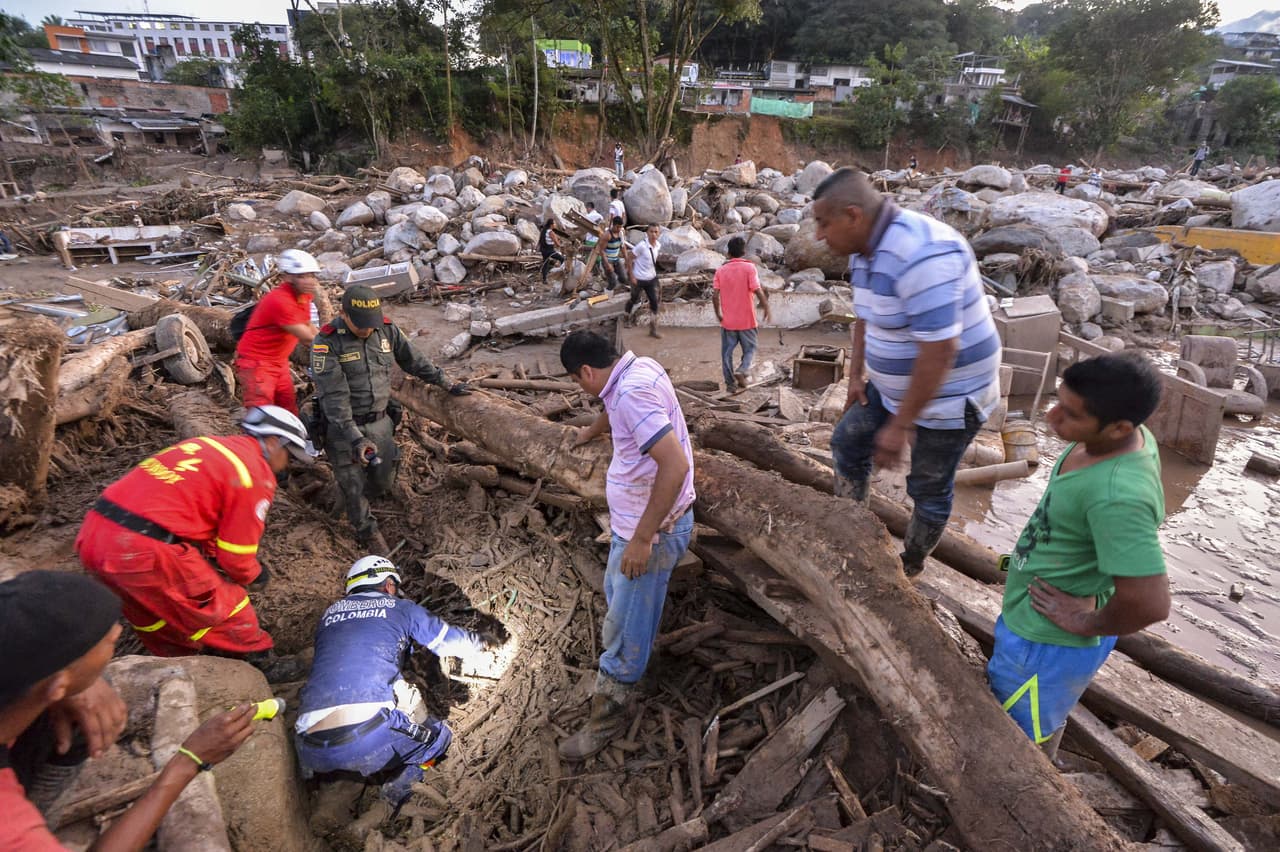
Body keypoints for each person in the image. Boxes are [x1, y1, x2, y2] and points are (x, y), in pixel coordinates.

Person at [813, 168, 1000, 577]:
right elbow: (864, 318)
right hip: (890, 386)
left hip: (951, 397)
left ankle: (909, 564)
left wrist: (899, 428)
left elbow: (940, 352)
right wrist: (856, 376)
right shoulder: (865, 252)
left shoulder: (922, 253)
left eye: (823, 223)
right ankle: (852, 533)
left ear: (853, 215)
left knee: (928, 486)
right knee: (848, 441)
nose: (818, 236)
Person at [0, 571, 260, 852]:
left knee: (92, 699)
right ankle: (41, 833)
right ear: (55, 683)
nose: (118, 632)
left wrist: (77, 686)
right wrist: (189, 761)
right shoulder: (10, 830)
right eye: (107, 641)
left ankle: (40, 814)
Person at [990, 352, 1169, 757]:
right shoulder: (1117, 439)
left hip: (1046, 645)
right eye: (1057, 400)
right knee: (1028, 711)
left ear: (1120, 427)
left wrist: (1086, 621)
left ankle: (1026, 782)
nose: (1052, 417)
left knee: (1017, 729)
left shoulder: (1118, 497)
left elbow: (1150, 602)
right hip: (1040, 617)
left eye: (1070, 414)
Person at [77, 406, 312, 680]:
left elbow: (197, 509)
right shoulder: (253, 474)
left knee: (151, 615)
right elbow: (236, 558)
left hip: (95, 535)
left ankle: (179, 667)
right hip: (144, 549)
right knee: (228, 605)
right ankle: (263, 664)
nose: (286, 465)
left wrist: (210, 556)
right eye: (289, 456)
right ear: (273, 442)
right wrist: (255, 575)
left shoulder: (203, 445)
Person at [557, 331, 695, 759]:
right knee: (627, 604)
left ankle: (606, 720)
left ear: (587, 371)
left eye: (578, 381)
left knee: (620, 628)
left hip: (652, 533)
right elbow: (613, 408)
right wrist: (592, 431)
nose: (582, 389)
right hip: (637, 527)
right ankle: (640, 667)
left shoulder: (632, 393)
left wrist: (641, 539)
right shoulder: (637, 369)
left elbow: (675, 464)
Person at [295, 557, 500, 815]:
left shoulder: (328, 616)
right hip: (366, 738)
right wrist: (485, 642)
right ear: (388, 585)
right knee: (439, 738)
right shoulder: (399, 607)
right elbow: (449, 642)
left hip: (308, 748)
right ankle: (388, 802)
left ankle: (332, 786)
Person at [311, 286, 471, 556]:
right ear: (343, 315)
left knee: (383, 480)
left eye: (371, 324)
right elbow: (334, 399)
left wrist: (447, 383)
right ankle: (366, 534)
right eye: (361, 326)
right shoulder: (326, 343)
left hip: (381, 423)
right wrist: (355, 439)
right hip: (343, 428)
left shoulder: (384, 329)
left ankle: (365, 499)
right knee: (352, 485)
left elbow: (414, 361)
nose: (368, 330)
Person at [234, 249, 320, 415]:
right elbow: (308, 339)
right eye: (302, 276)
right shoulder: (280, 301)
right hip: (257, 364)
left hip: (278, 362)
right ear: (288, 277)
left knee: (288, 408)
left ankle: (291, 440)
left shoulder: (303, 296)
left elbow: (309, 326)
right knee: (263, 414)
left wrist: (329, 339)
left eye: (311, 275)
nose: (309, 281)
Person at [712, 236, 771, 391]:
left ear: (728, 252)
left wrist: (718, 313)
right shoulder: (749, 268)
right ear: (744, 251)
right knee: (750, 349)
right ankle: (743, 370)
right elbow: (757, 290)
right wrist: (766, 307)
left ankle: (731, 385)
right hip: (747, 320)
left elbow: (714, 295)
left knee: (726, 354)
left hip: (729, 322)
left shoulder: (721, 270)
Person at [626, 224, 663, 339]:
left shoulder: (658, 245)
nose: (653, 234)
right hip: (638, 278)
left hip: (650, 279)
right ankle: (627, 317)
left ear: (659, 233)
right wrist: (631, 276)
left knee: (654, 303)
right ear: (647, 233)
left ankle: (653, 329)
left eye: (656, 232)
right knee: (634, 299)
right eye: (651, 232)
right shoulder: (641, 246)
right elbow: (629, 258)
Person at [601, 217, 628, 292]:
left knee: (624, 278)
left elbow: (623, 247)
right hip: (607, 260)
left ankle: (619, 289)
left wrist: (627, 259)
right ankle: (607, 292)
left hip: (616, 259)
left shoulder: (620, 233)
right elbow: (602, 251)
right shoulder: (607, 235)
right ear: (613, 225)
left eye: (620, 227)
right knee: (612, 282)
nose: (619, 229)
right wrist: (607, 264)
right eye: (617, 227)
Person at [581, 200, 605, 278]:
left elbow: (584, 228)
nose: (586, 210)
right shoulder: (600, 216)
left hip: (590, 239)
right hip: (598, 239)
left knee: (589, 256)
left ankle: (590, 273)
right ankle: (598, 273)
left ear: (589, 208)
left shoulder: (588, 217)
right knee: (598, 256)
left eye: (587, 208)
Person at [538, 218, 565, 286]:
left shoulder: (544, 231)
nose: (555, 225)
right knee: (562, 259)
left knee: (545, 263)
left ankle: (544, 279)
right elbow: (557, 244)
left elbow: (541, 241)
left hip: (543, 250)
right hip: (549, 250)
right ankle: (562, 276)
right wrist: (562, 245)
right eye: (554, 223)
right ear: (551, 225)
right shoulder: (551, 232)